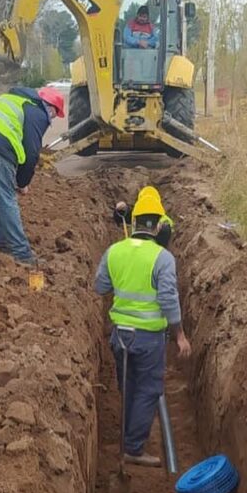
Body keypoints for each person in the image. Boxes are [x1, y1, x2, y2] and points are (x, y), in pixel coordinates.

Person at [95, 186, 190, 467]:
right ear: (159, 223)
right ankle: (134, 448)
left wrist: (122, 277)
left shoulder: (114, 251)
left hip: (120, 336)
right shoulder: (163, 258)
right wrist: (180, 335)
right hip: (148, 339)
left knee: (129, 386)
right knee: (148, 389)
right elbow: (168, 298)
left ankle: (129, 434)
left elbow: (100, 286)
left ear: (133, 222)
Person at [0, 85, 65, 266]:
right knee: (6, 198)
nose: (52, 120)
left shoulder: (17, 99)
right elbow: (32, 153)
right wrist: (22, 182)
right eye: (54, 115)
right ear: (50, 108)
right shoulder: (38, 113)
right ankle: (22, 254)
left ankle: (2, 244)